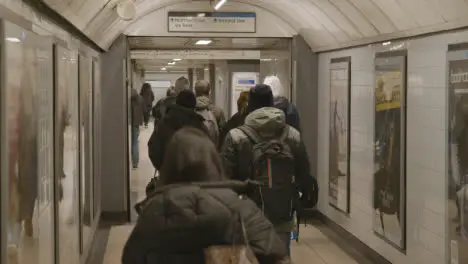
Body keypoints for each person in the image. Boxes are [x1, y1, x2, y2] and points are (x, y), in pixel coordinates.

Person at [123, 127, 289, 264]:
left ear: (168, 169)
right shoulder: (243, 209)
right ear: (215, 163)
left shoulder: (154, 212)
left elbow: (132, 258)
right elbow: (276, 257)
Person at [221, 84, 317, 255]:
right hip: (283, 209)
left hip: (247, 213)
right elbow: (303, 171)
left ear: (249, 105)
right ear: (271, 103)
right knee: (280, 255)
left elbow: (225, 178)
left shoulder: (236, 136)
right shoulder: (292, 134)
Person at [148, 89, 209, 171]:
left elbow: (153, 148)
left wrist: (163, 168)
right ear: (194, 105)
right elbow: (208, 153)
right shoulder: (200, 126)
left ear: (177, 102)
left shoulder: (164, 123)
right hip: (193, 178)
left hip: (168, 176)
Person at [194, 80, 226, 145]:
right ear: (209, 92)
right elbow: (222, 133)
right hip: (211, 148)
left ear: (195, 92)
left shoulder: (190, 109)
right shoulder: (218, 111)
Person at [131, 88, 145, 169]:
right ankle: (135, 163)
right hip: (137, 123)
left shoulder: (128, 99)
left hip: (129, 122)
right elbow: (144, 110)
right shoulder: (140, 98)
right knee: (135, 142)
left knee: (132, 143)